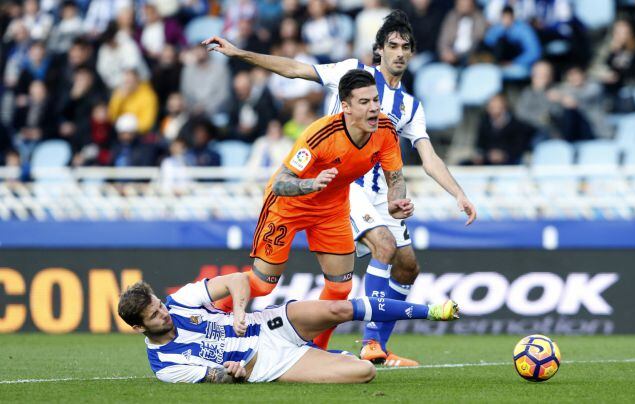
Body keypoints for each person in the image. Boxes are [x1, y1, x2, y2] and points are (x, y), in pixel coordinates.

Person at [202, 9, 477, 366]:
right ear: (378, 50)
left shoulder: (410, 106)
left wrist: (458, 193)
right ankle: (371, 343)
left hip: (380, 195)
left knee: (407, 267)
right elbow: (294, 68)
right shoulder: (350, 74)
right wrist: (240, 53)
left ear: (411, 53)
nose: (399, 52)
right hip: (342, 186)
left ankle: (338, 347)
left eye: (405, 47)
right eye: (392, 45)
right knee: (384, 245)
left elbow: (428, 157)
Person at [206, 69, 411, 352]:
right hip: (287, 207)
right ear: (346, 107)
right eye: (364, 102)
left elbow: (396, 180)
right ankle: (207, 319)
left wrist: (395, 202)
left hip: (332, 209)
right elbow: (280, 183)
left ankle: (315, 350)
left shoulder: (386, 131)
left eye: (375, 100)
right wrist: (312, 184)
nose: (374, 108)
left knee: (340, 290)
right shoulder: (321, 135)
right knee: (263, 285)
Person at [117, 272, 459, 384]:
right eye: (154, 315)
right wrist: (231, 371)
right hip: (265, 362)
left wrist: (238, 309)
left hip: (266, 324)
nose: (163, 312)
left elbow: (237, 280)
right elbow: (216, 377)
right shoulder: (166, 367)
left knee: (339, 307)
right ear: (138, 327)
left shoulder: (181, 301)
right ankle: (328, 356)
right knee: (364, 371)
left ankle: (431, 310)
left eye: (159, 305)